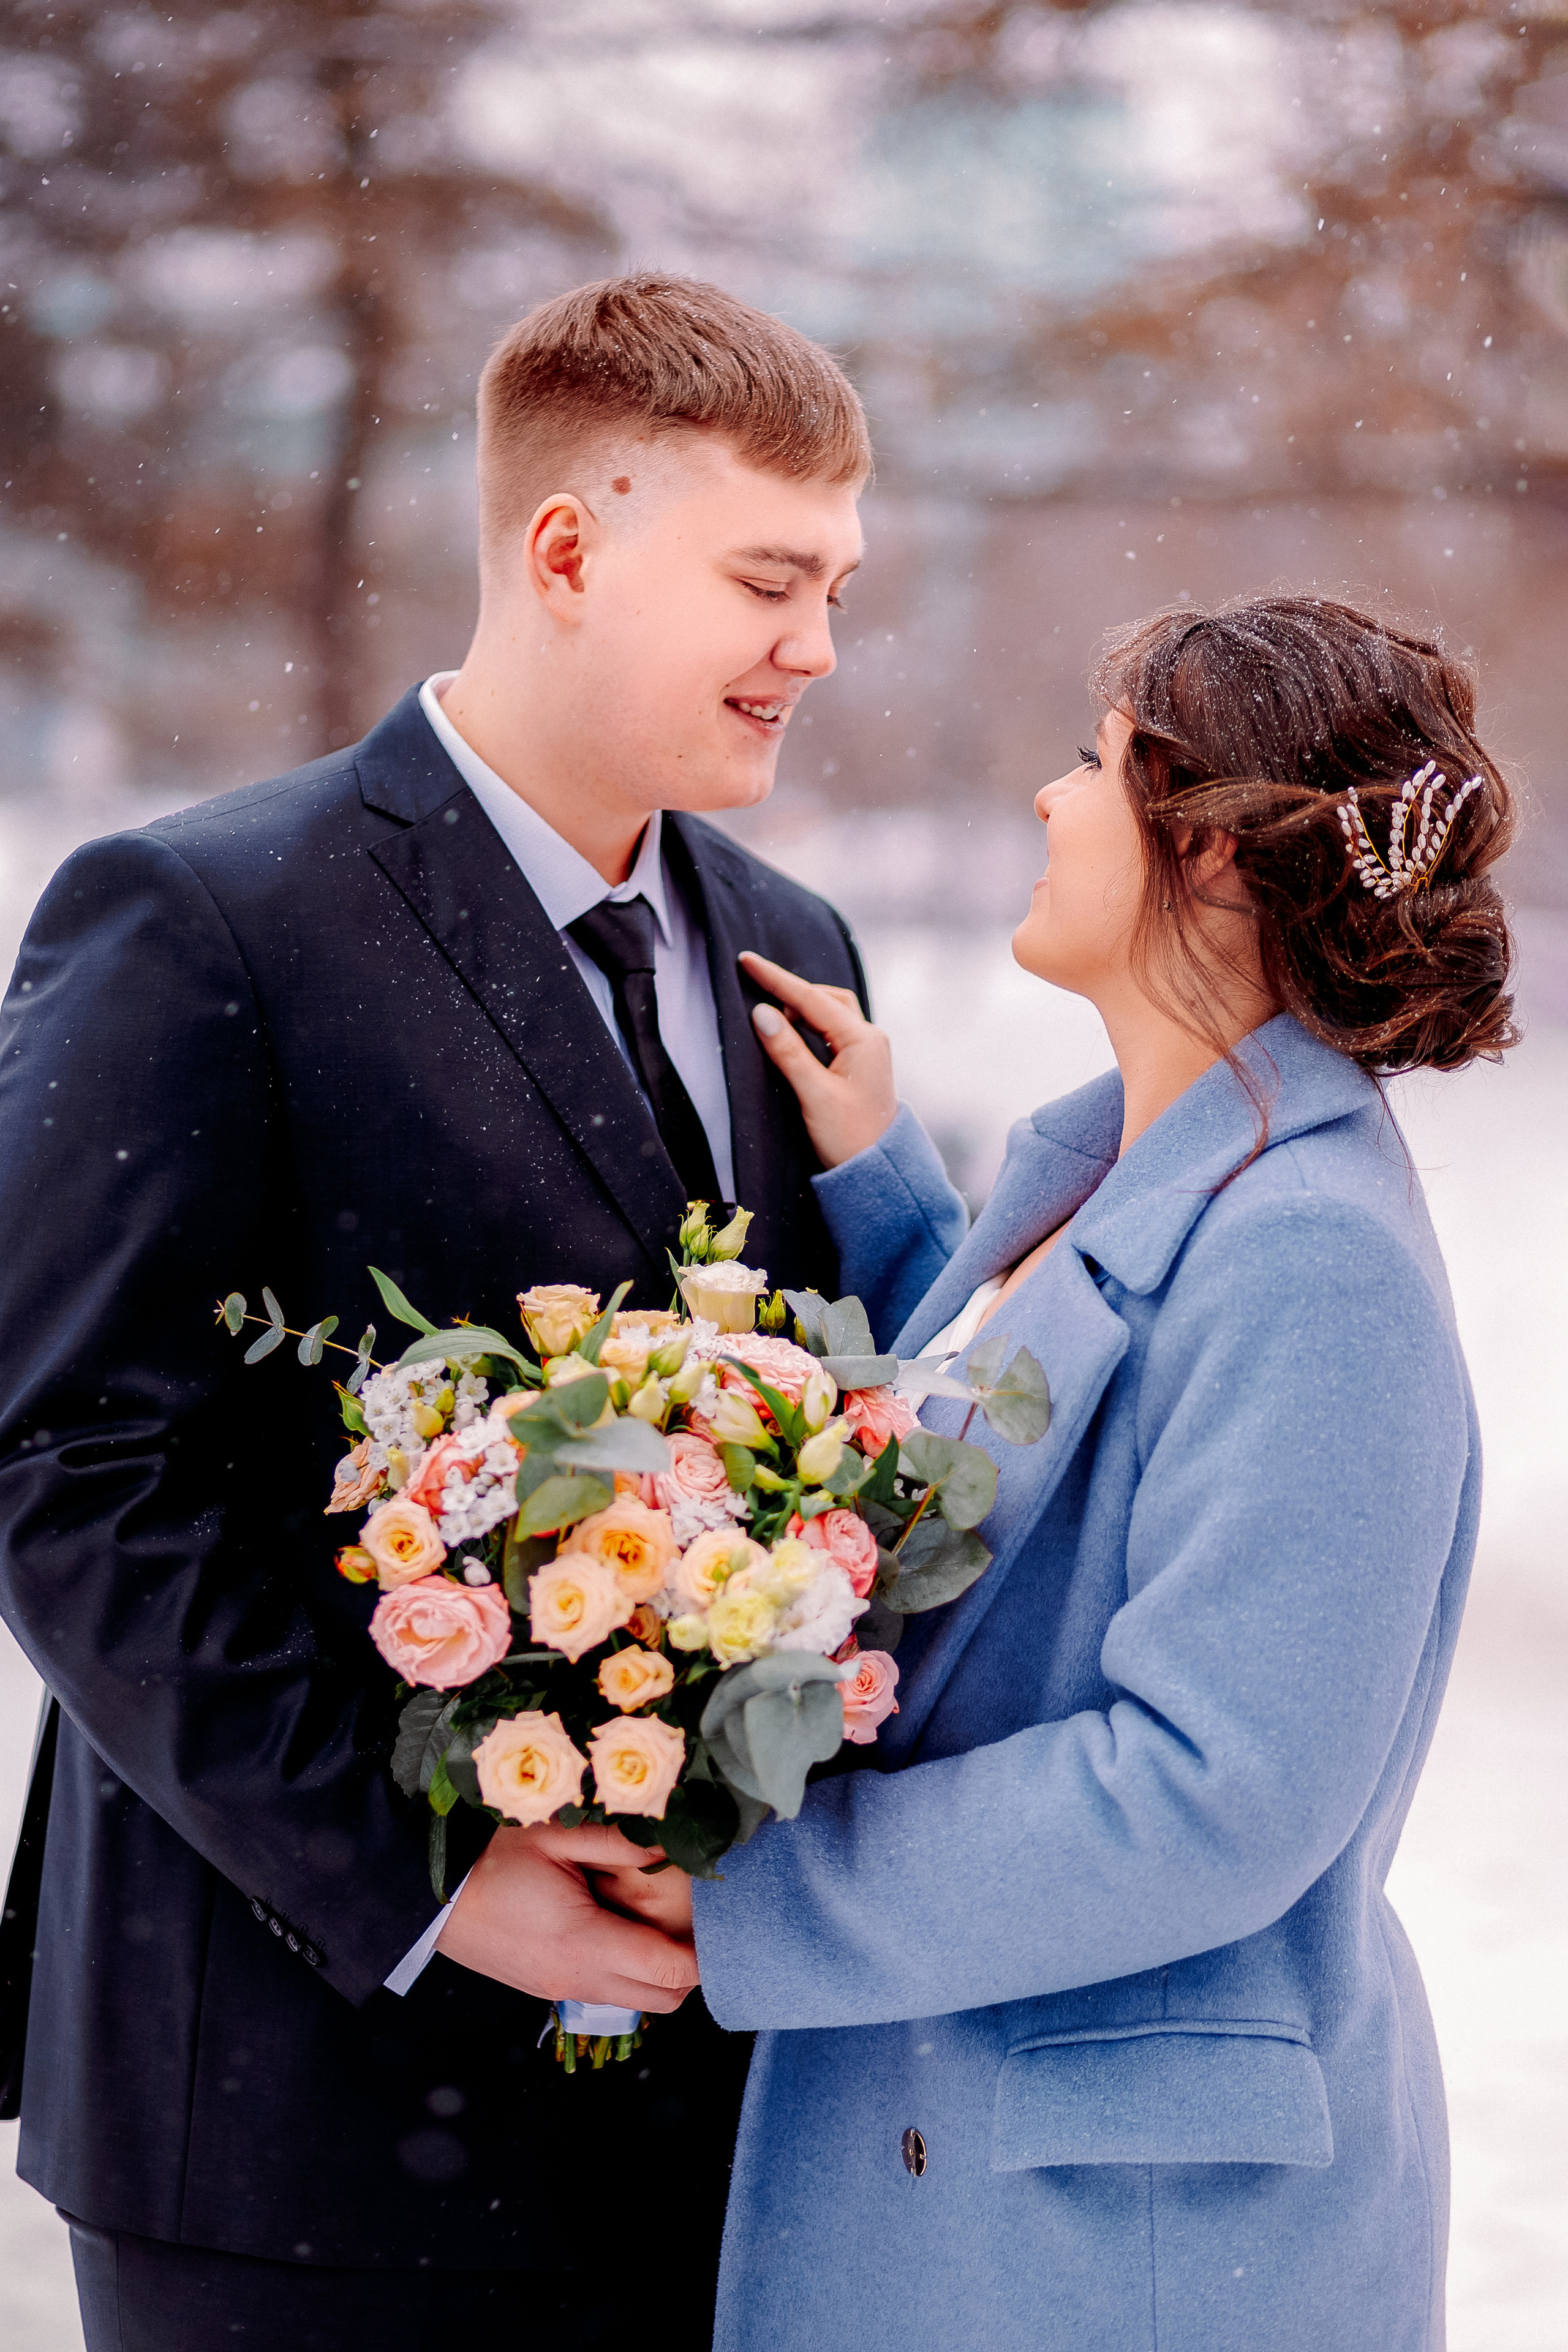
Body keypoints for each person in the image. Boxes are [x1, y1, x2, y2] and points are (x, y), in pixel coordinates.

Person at [0, 273, 870, 2350]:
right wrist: (431, 1882)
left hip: (705, 2132)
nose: (818, 649)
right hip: (284, 2116)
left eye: (838, 590)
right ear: (566, 551)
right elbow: (63, 1466)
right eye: (769, 582)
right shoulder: (203, 914)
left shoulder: (796, 947)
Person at [690, 598, 1517, 2351]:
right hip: (993, 2175)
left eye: (1094, 760)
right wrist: (891, 1199)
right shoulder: (1132, 1171)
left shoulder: (1312, 1252)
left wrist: (745, 1889)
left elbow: (1216, 1791)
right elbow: (1041, 1449)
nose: (1050, 798)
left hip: (1125, 2244)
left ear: (1206, 849)